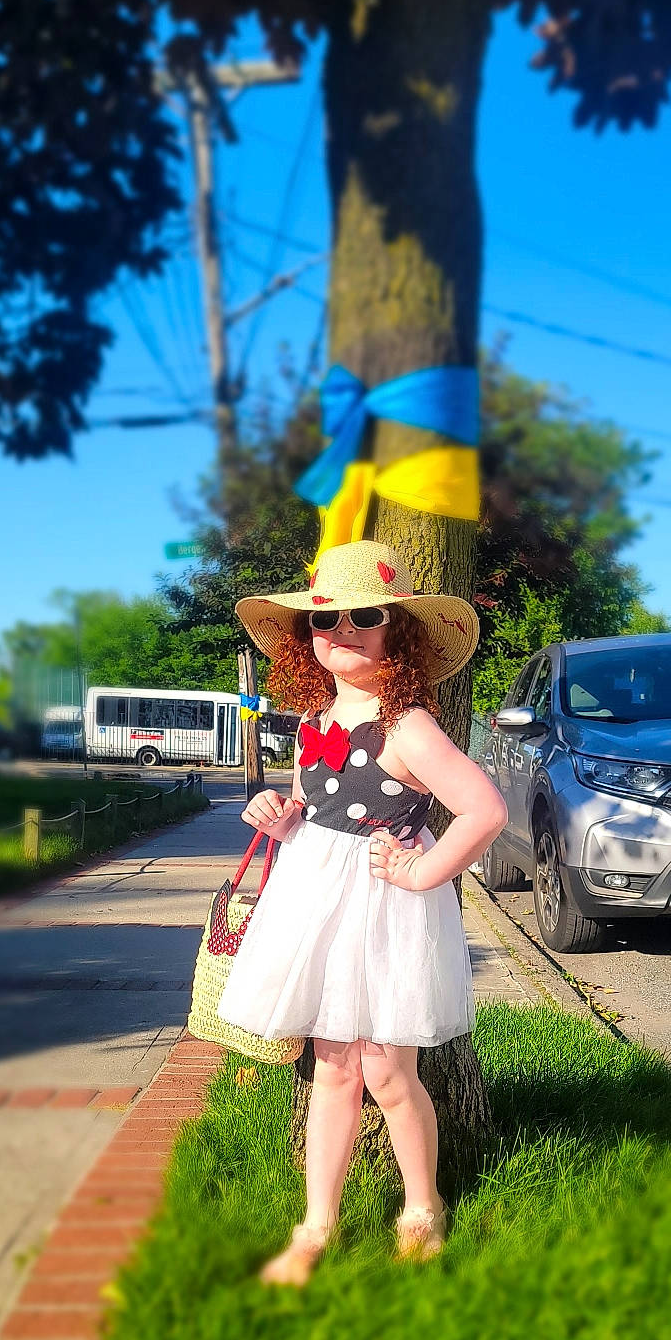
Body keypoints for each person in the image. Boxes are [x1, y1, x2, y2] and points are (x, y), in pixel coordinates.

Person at [218, 537, 508, 1285]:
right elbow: (319, 809)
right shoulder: (317, 714)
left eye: (364, 615)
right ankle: (316, 1224)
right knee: (332, 1067)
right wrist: (282, 815)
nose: (342, 631)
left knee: (386, 1069)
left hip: (384, 909)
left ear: (397, 630)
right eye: (325, 621)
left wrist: (422, 874)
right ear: (305, 639)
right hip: (318, 899)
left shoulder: (407, 723)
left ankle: (422, 1208)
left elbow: (483, 811)